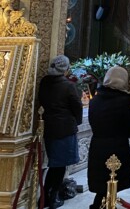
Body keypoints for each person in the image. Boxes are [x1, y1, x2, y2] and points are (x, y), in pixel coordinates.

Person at [88, 66, 130, 209]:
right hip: (117, 147)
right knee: (112, 181)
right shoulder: (124, 100)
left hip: (97, 146)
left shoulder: (95, 100)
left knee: (102, 183)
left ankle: (100, 205)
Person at [38, 55, 83, 209]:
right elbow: (77, 106)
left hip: (50, 127)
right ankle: (52, 197)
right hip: (64, 129)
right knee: (59, 166)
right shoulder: (68, 86)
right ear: (65, 69)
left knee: (55, 164)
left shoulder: (44, 82)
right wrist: (76, 121)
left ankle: (45, 196)